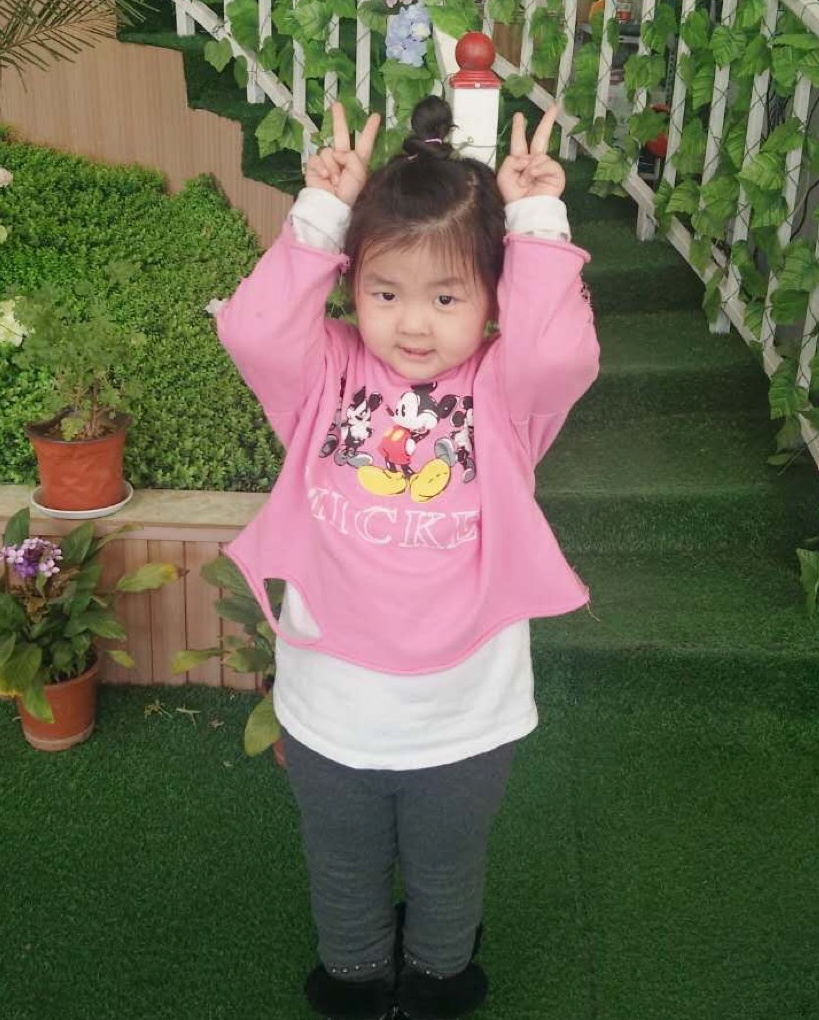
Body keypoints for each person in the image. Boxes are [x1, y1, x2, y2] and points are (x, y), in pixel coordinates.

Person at [215, 94, 599, 1020]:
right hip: (331, 705)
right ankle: (352, 978)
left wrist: (537, 221)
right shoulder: (324, 373)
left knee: (447, 864)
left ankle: (437, 977)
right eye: (385, 293)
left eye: (447, 296)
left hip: (465, 711)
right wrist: (323, 213)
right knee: (340, 860)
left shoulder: (505, 391)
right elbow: (253, 330)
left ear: (494, 298)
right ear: (351, 287)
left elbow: (558, 355)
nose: (413, 325)